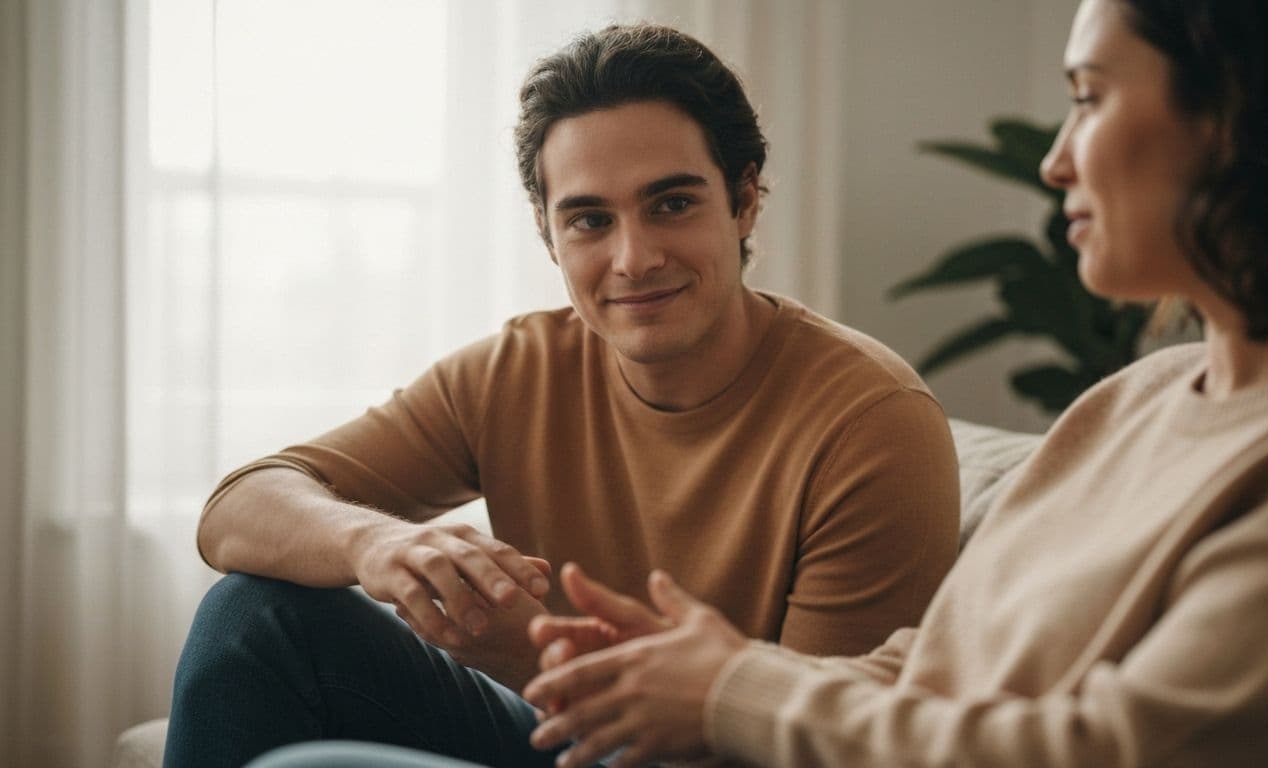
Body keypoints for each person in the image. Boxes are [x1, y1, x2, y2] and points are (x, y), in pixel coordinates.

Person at [510, 1, 1268, 766]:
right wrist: (690, 672)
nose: (1056, 162)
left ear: (1244, 118)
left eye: (1089, 98)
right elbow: (932, 666)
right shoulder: (1137, 398)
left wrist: (732, 691)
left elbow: (1120, 749)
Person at [163, 22, 960, 768]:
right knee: (250, 618)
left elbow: (818, 745)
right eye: (589, 220)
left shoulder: (871, 422)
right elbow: (238, 507)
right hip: (559, 734)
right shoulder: (518, 369)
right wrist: (375, 545)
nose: (633, 258)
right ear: (548, 234)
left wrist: (529, 649)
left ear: (744, 198)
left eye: (672, 204)